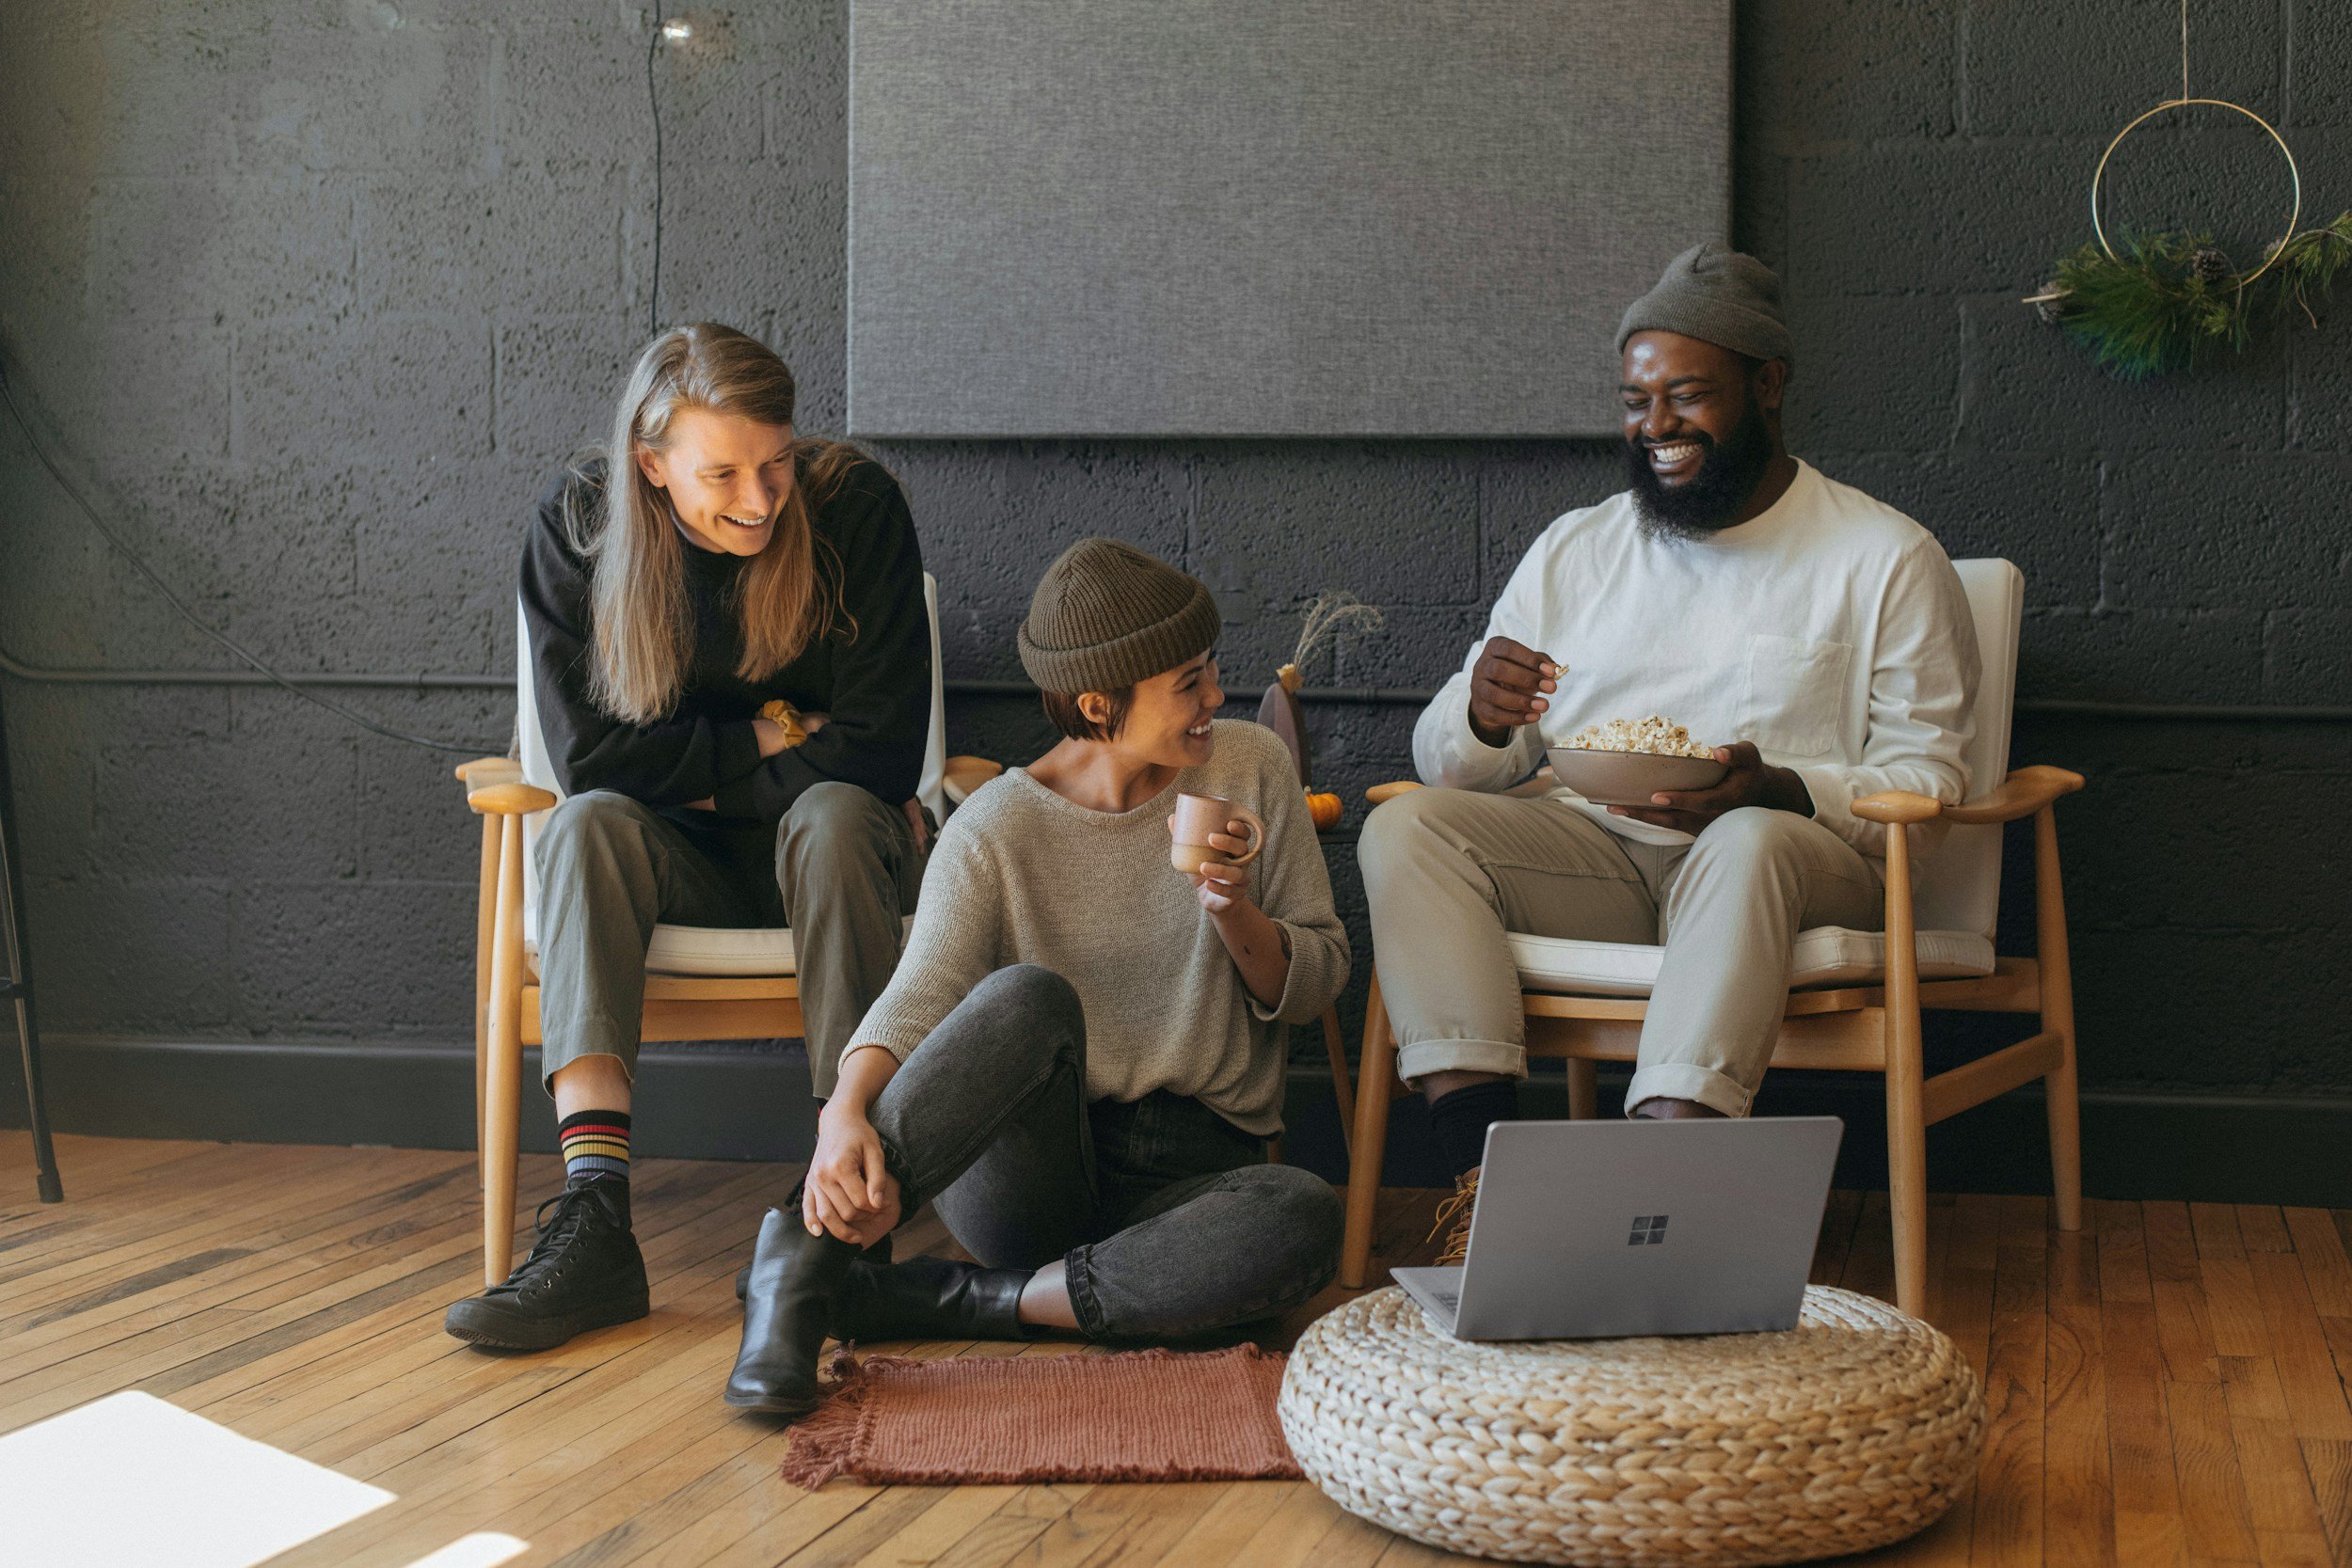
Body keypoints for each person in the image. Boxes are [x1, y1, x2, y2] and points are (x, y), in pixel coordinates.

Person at [1359, 243, 1980, 1251]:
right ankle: (1491, 1197)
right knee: (1409, 827)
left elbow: (1930, 780)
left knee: (1744, 839)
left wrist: (1780, 787)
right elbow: (1456, 765)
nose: (1655, 426)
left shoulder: (1882, 557)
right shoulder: (1578, 548)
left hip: (1790, 863)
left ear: (1768, 385)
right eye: (1634, 400)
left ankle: (1654, 1199)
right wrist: (1482, 713)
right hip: (1596, 854)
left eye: (1686, 395)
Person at [723, 538, 1348, 1418]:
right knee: (1026, 997)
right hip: (1033, 1175)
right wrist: (841, 1114)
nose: (1214, 697)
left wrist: (1233, 908)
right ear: (1099, 703)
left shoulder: (1250, 767)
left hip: (1197, 1177)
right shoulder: (996, 826)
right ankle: (807, 1261)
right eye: (1187, 683)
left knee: (1303, 1214)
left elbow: (1319, 979)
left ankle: (962, 1300)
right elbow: (920, 992)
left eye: (1212, 670)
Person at [445, 323, 932, 1352]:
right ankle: (595, 1219)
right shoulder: (580, 525)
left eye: (777, 462)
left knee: (838, 813)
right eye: (723, 473)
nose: (761, 500)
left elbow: (881, 758)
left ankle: (845, 1207)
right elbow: (587, 763)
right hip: (672, 868)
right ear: (649, 462)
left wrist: (693, 771)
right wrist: (778, 732)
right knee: (581, 828)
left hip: (841, 858)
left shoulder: (855, 509)